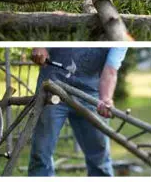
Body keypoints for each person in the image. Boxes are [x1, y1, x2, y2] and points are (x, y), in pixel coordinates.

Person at [28, 47, 128, 176]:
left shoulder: (119, 39)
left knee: (99, 158)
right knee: (40, 154)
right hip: (52, 88)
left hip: (91, 93)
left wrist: (106, 99)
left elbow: (110, 69)